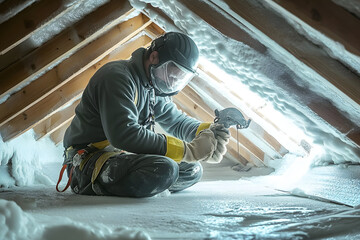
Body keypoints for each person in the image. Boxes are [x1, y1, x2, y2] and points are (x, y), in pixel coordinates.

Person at [58, 32, 230, 197]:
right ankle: (93, 184)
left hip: (119, 156)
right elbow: (124, 135)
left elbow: (176, 122)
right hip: (87, 161)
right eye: (171, 72)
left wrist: (207, 132)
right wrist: (187, 150)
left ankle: (148, 184)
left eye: (180, 79)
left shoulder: (152, 85)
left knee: (192, 169)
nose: (172, 82)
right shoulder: (117, 78)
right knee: (166, 168)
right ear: (154, 57)